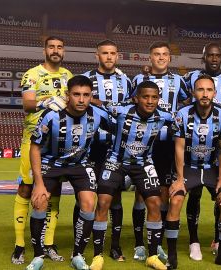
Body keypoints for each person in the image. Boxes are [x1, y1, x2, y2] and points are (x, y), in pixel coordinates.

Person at [25, 75, 111, 270]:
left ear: (91, 96)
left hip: (80, 163)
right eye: (76, 94)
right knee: (39, 201)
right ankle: (38, 256)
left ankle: (77, 254)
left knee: (89, 203)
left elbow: (121, 127)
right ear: (67, 95)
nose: (81, 99)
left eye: (86, 95)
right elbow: (35, 148)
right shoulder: (51, 115)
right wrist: (38, 183)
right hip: (51, 163)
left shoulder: (98, 115)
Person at [93, 81, 173, 270]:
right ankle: (98, 256)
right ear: (136, 98)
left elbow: (186, 122)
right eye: (145, 97)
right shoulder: (121, 111)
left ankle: (152, 255)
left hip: (144, 163)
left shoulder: (165, 116)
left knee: (155, 203)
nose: (150, 101)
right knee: (103, 201)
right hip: (116, 160)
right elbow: (98, 104)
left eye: (154, 97)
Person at [165, 75, 221, 269]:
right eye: (200, 90)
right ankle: (172, 256)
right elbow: (178, 147)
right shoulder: (182, 114)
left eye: (209, 90)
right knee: (176, 200)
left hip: (211, 168)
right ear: (193, 92)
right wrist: (179, 178)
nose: (204, 94)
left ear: (214, 93)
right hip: (189, 167)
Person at [12, 36, 72, 265]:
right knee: (27, 189)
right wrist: (46, 102)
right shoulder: (32, 74)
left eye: (59, 47)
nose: (55, 51)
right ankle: (19, 245)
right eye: (51, 47)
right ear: (45, 50)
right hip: (33, 140)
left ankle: (48, 244)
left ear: (63, 51)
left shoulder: (68, 76)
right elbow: (27, 104)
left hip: (57, 143)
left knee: (53, 193)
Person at [131, 41, 190, 261]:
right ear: (150, 57)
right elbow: (131, 102)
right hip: (145, 142)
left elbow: (187, 100)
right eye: (157, 54)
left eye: (165, 54)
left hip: (167, 144)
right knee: (141, 194)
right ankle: (139, 244)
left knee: (163, 193)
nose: (161, 57)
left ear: (169, 58)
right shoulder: (139, 80)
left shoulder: (178, 80)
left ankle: (158, 241)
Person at [183, 43, 221, 259]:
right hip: (193, 141)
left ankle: (217, 240)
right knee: (193, 194)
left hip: (219, 142)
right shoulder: (190, 76)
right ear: (203, 57)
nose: (214, 59)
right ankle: (193, 242)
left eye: (217, 55)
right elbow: (180, 99)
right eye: (210, 55)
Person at [81, 39, 132, 262]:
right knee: (85, 197)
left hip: (116, 148)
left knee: (115, 198)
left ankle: (115, 246)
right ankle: (81, 243)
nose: (109, 57)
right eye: (105, 53)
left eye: (113, 53)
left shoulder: (125, 80)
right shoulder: (86, 78)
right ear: (97, 55)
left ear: (117, 56)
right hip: (91, 147)